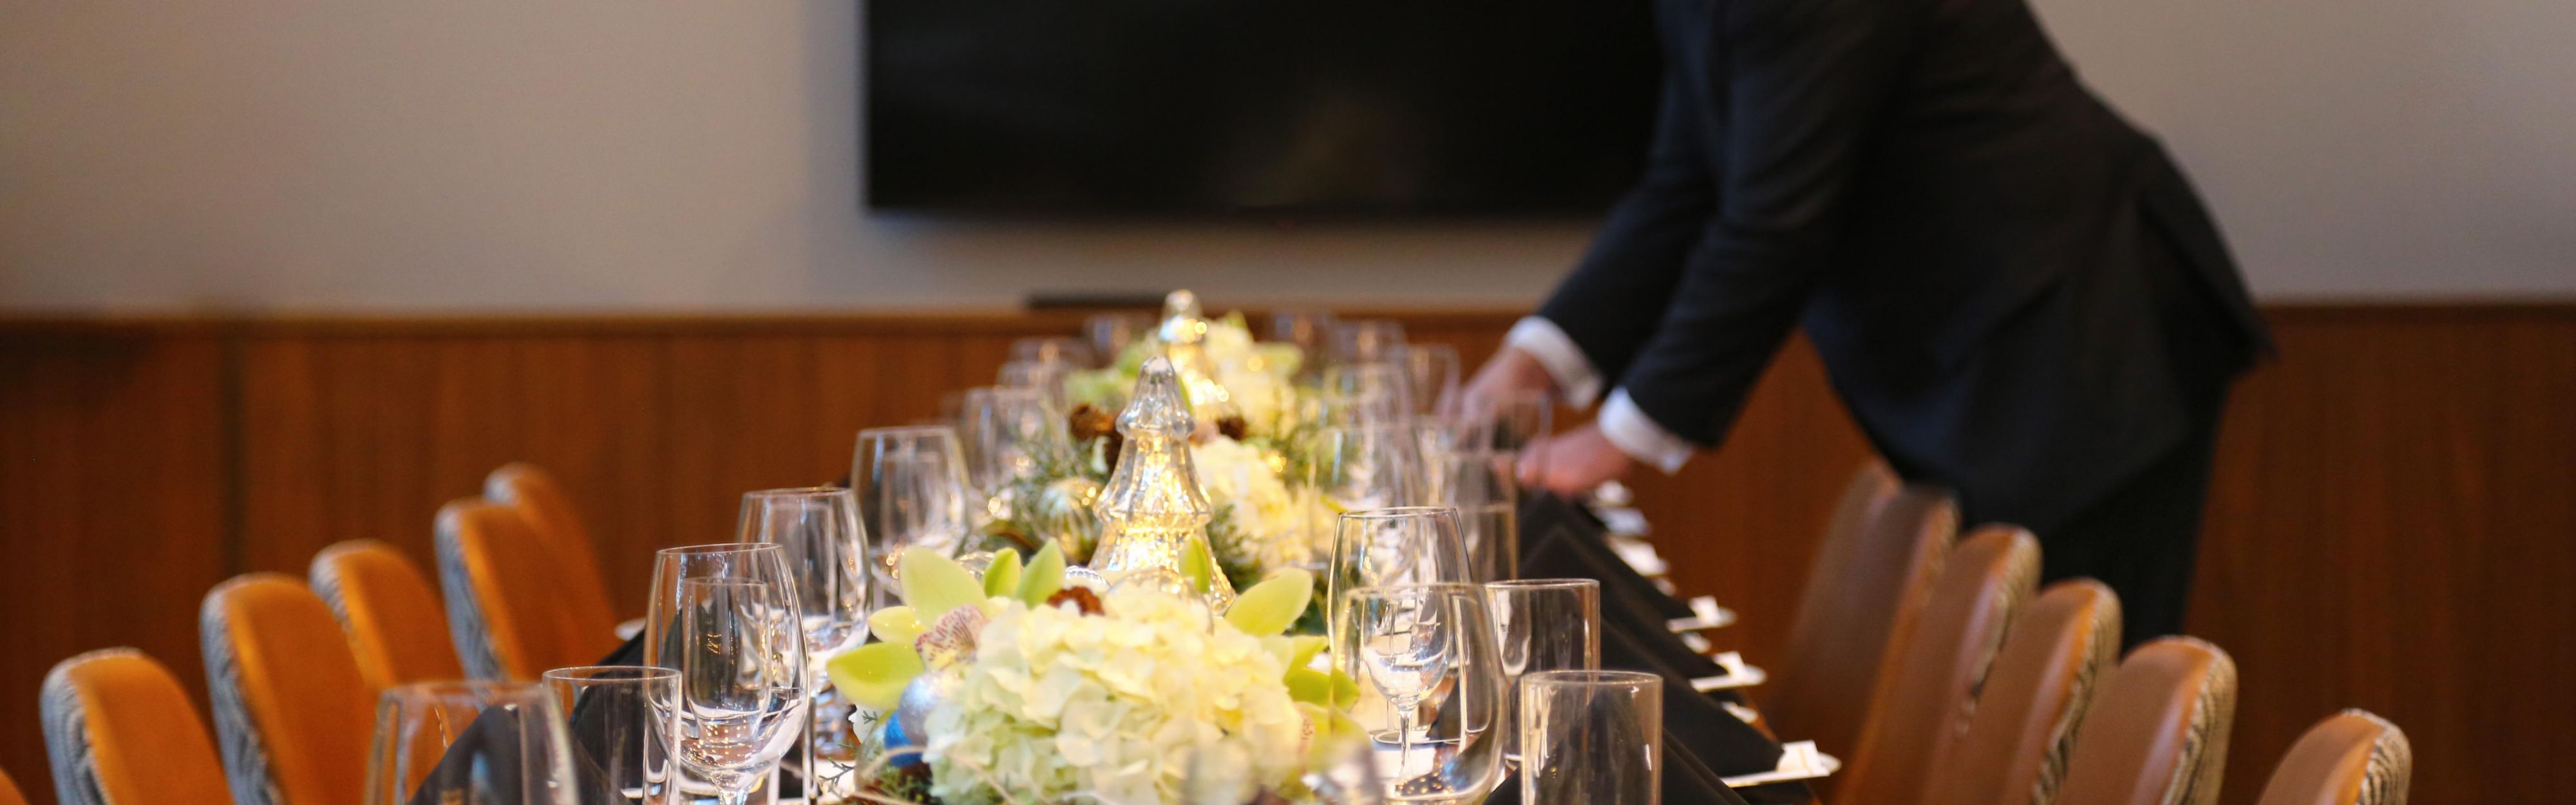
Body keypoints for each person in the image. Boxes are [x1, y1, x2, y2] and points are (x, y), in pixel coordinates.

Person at [1458, 0, 2269, 647]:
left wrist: (1618, 439)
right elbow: (1686, 181)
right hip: (1995, 343)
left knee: (2076, 697)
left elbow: (1774, 224)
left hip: (2081, 326)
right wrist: (1532, 359)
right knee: (2023, 683)